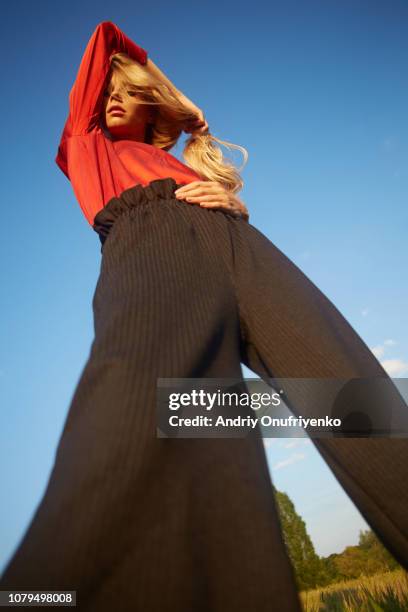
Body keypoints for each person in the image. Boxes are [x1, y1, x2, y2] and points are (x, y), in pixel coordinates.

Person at [0, 20, 407, 612]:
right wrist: (188, 106)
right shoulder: (85, 142)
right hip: (151, 244)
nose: (114, 95)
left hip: (242, 246)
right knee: (168, 406)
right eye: (109, 90)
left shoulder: (171, 156)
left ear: (148, 106)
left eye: (129, 90)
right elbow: (105, 39)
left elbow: (213, 199)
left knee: (353, 396)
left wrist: (232, 203)